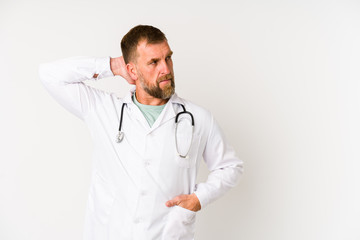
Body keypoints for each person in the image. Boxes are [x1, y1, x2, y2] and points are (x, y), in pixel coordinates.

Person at [39, 25, 243, 240]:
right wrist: (113, 65)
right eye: (154, 62)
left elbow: (230, 167)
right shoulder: (103, 109)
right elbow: (49, 75)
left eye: (168, 58)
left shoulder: (198, 118)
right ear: (132, 70)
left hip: (167, 233)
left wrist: (198, 198)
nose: (166, 69)